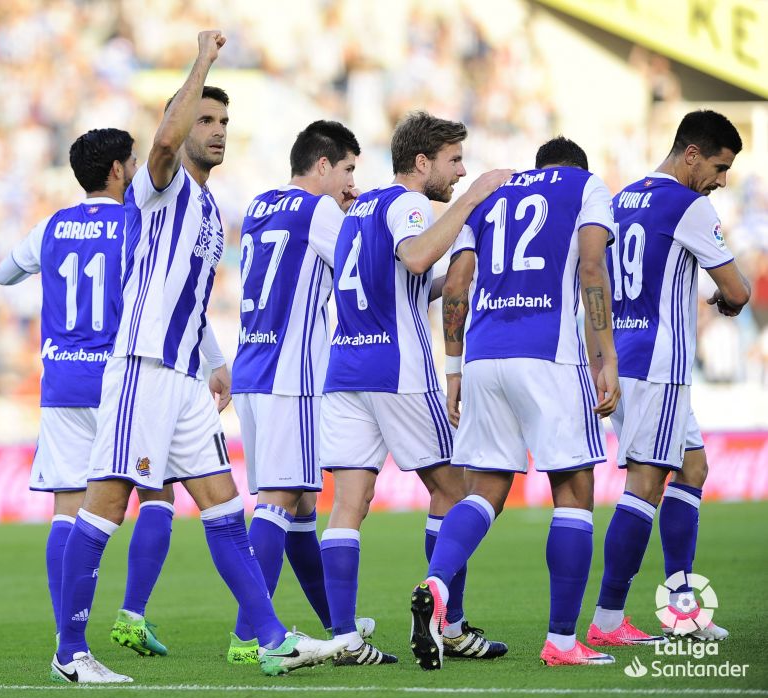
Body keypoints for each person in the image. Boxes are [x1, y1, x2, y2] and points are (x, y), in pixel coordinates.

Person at [50, 31, 345, 684]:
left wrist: (215, 357)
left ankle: (270, 636)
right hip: (141, 369)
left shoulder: (210, 209)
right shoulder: (161, 184)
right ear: (181, 126)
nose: (216, 131)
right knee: (104, 505)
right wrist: (203, 62)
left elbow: (188, 294)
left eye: (222, 122)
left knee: (224, 508)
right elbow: (160, 140)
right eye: (205, 119)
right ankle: (70, 652)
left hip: (184, 377)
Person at [410, 136, 620, 669]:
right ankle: (563, 643)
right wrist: (607, 357)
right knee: (573, 492)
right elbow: (592, 268)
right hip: (547, 355)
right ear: (576, 166)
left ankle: (436, 584)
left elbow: (456, 283)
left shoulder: (492, 192)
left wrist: (454, 370)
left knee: (483, 492)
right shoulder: (585, 185)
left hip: (482, 357)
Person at [319, 110, 512, 665]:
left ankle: (344, 638)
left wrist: (451, 278)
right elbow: (418, 253)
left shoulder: (360, 210)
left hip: (346, 370)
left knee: (348, 503)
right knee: (455, 490)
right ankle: (447, 623)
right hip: (396, 368)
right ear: (422, 161)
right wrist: (472, 198)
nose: (460, 170)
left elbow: (402, 278)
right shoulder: (407, 203)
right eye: (454, 160)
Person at [0, 127, 180, 659]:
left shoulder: (52, 225)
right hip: (118, 382)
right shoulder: (136, 224)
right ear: (120, 170)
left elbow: (4, 274)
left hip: (61, 383)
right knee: (158, 496)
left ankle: (66, 635)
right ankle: (132, 613)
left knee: (66, 508)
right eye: (135, 161)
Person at [587, 110, 749, 645]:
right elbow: (740, 290)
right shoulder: (689, 205)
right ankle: (608, 619)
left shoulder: (622, 197)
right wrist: (725, 299)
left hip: (627, 357)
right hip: (659, 366)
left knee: (693, 468)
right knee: (645, 483)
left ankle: (682, 607)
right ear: (692, 154)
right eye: (720, 168)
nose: (721, 182)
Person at [228, 120, 377, 664]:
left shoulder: (260, 207)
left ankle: (338, 628)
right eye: (348, 170)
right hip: (291, 375)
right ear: (322, 166)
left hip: (252, 368)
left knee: (302, 502)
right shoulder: (321, 212)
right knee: (280, 498)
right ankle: (253, 635)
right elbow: (361, 270)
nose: (350, 183)